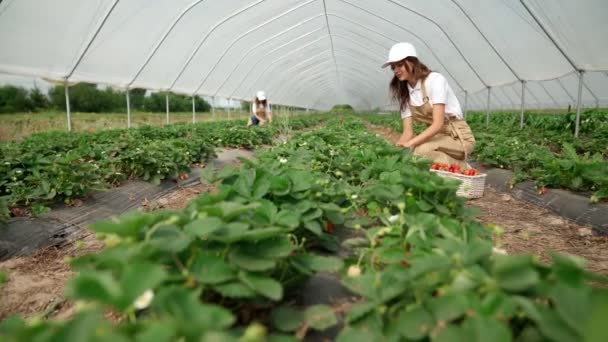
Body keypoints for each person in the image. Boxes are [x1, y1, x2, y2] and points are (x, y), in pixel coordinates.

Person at [382, 42, 475, 168]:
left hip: (458, 137)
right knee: (415, 154)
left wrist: (411, 144)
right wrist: (398, 151)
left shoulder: (435, 80)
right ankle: (448, 172)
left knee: (420, 151)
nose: (396, 70)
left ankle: (462, 167)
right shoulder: (405, 93)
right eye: (393, 67)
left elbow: (438, 124)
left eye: (399, 65)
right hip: (437, 138)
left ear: (412, 62)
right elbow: (407, 132)